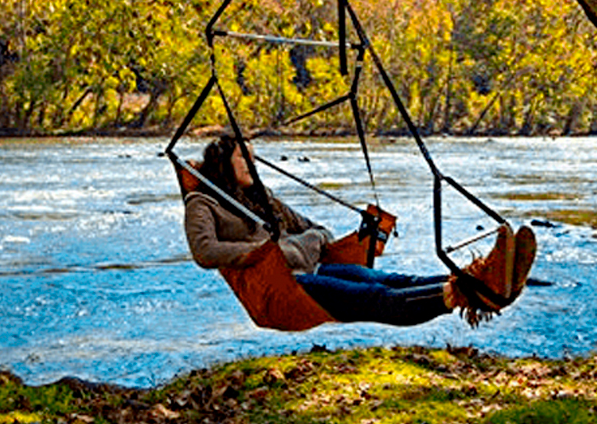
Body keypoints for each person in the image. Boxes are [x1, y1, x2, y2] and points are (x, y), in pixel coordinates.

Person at [183, 135, 537, 327]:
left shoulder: (264, 198)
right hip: (281, 288)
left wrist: (310, 242)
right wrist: (257, 254)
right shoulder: (203, 204)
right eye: (245, 158)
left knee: (394, 281)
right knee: (375, 299)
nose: (253, 164)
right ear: (222, 163)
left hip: (310, 267)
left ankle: (480, 280)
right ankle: (477, 294)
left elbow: (314, 229)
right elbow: (204, 251)